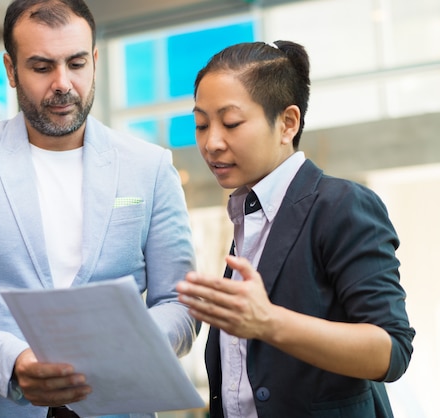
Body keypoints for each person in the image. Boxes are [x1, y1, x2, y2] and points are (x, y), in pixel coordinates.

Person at [0, 1, 199, 417]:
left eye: (77, 63)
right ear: (11, 70)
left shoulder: (149, 166)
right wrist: (13, 362)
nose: (63, 83)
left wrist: (124, 348)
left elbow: (179, 302)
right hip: (4, 404)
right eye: (42, 67)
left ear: (95, 61)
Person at [176, 40, 415, 417]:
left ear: (288, 123)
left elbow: (392, 349)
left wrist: (268, 322)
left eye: (231, 123)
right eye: (201, 124)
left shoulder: (340, 205)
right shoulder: (246, 214)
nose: (211, 143)